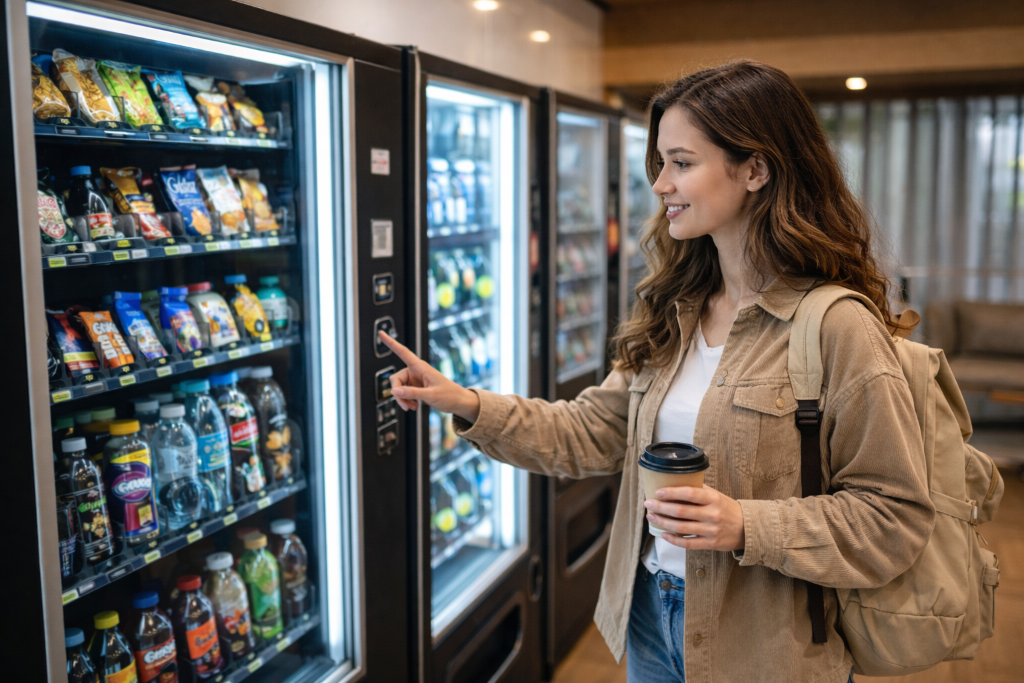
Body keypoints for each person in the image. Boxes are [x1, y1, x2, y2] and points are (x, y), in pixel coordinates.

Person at [379, 60, 935, 683]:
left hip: (764, 649)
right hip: (651, 615)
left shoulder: (838, 327)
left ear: (756, 169)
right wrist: (467, 404)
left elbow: (895, 518)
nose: (661, 184)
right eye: (660, 163)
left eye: (682, 162)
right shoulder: (676, 309)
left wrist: (745, 524)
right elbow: (594, 431)